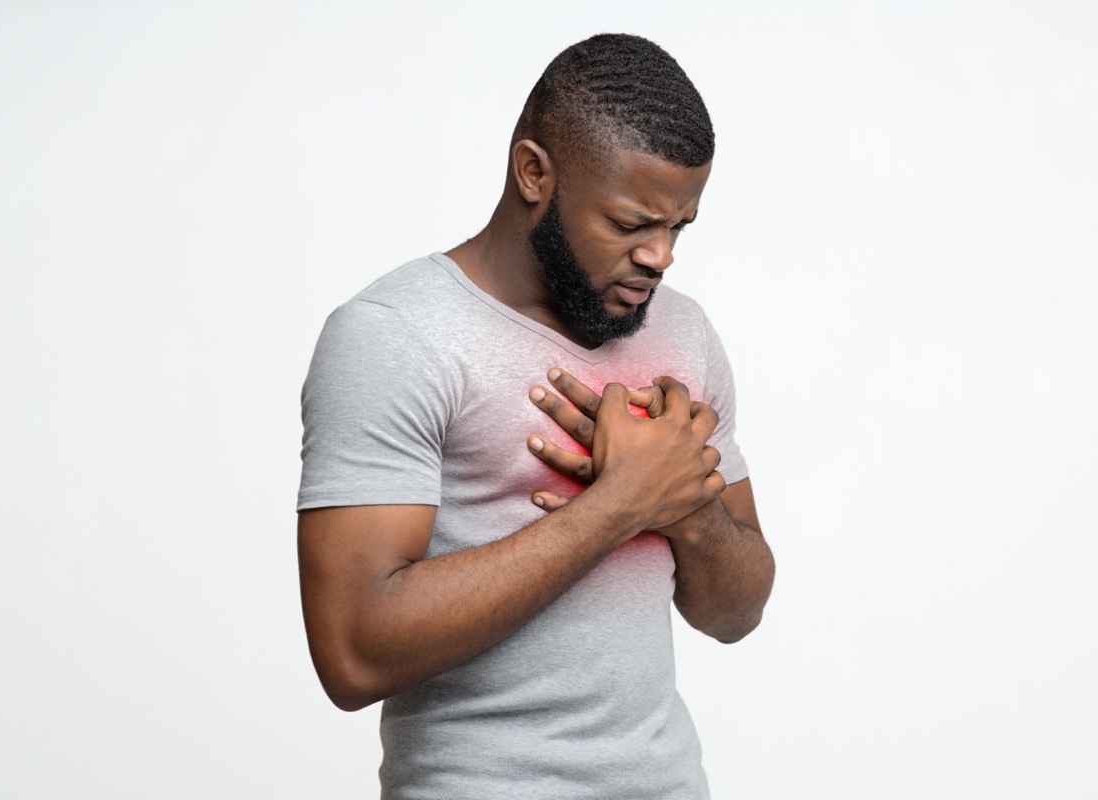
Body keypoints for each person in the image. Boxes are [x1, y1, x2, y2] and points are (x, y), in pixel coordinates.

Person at [297, 33, 776, 799]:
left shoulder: (683, 334)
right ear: (534, 173)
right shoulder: (394, 336)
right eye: (630, 225)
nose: (661, 257)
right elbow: (353, 654)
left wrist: (687, 513)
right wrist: (621, 507)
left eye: (678, 227)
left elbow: (737, 612)